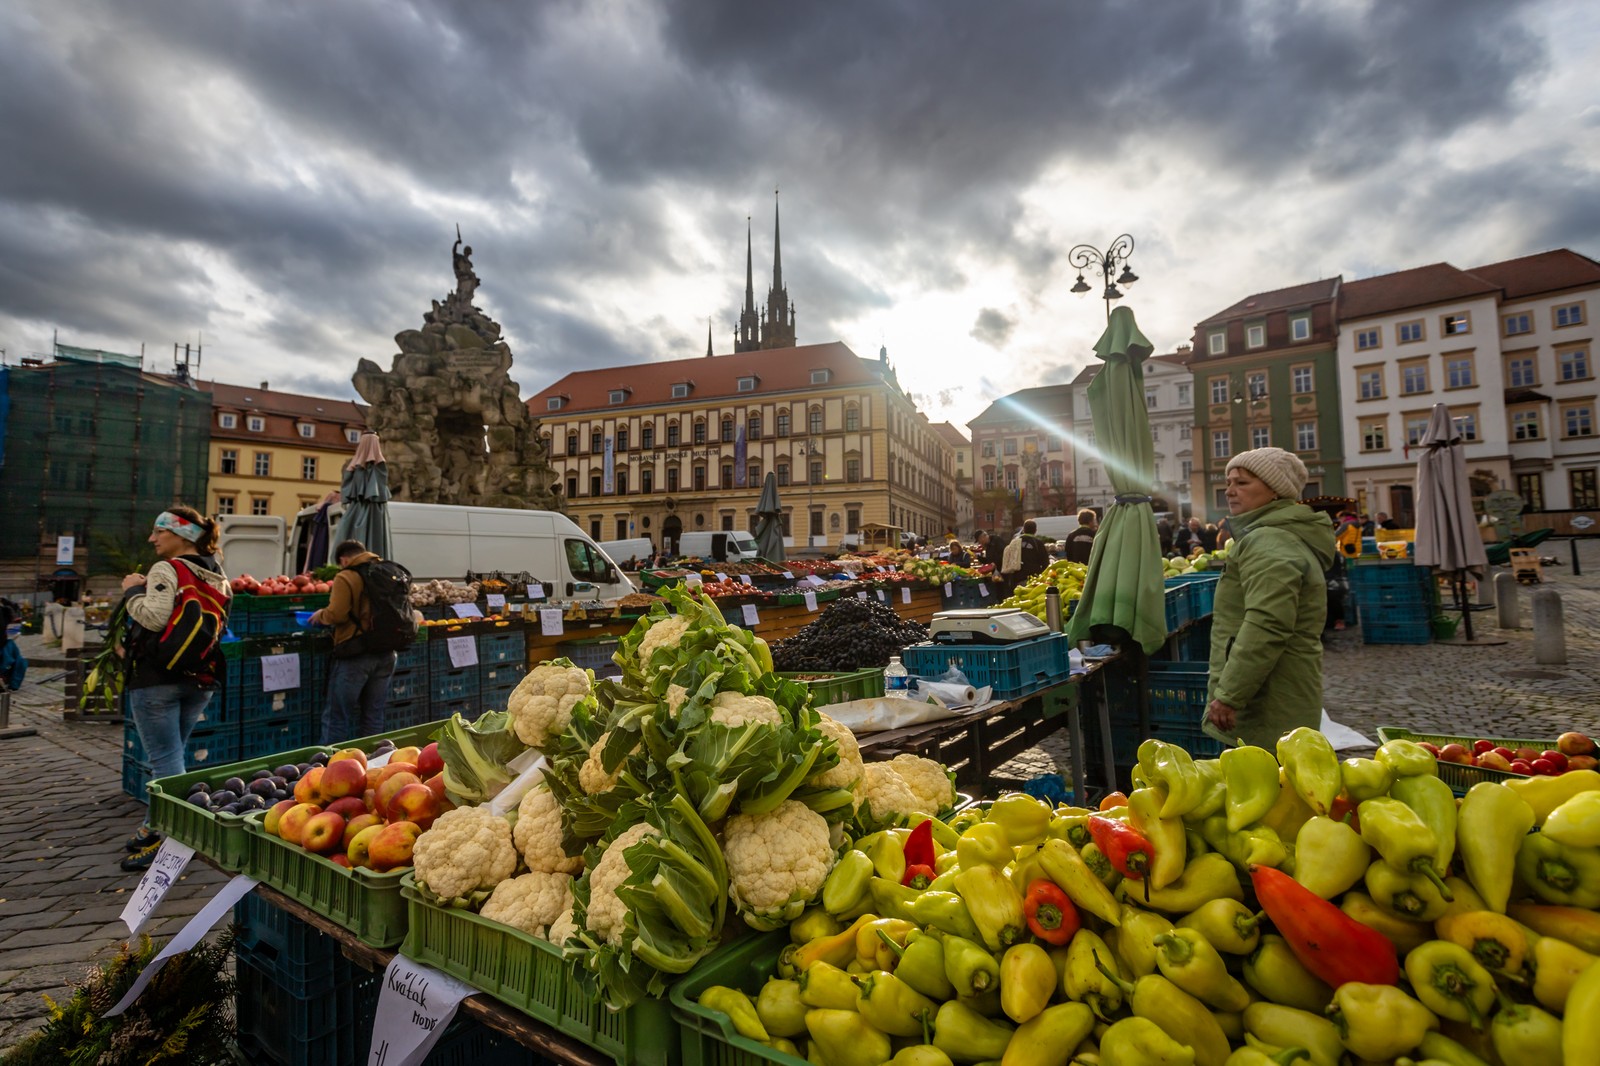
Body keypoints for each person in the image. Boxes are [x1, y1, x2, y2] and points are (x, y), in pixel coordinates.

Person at [118, 506, 231, 871]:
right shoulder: (218, 573)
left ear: (182, 536)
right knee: (173, 756)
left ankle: (173, 841)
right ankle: (155, 824)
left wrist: (132, 590)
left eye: (159, 532)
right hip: (200, 678)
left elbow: (152, 616)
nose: (152, 539)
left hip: (157, 679)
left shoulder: (169, 569)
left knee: (165, 761)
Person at [1204, 448, 1336, 749]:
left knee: (1268, 785)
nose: (1230, 491)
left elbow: (1267, 624)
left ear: (1275, 490)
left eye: (1242, 483)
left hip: (1270, 697)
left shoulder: (1269, 540)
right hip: (1278, 690)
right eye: (1228, 482)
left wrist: (1229, 694)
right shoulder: (1272, 534)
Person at [312, 539, 404, 744]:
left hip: (356, 653)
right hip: (388, 652)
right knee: (373, 715)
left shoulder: (346, 576)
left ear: (343, 560)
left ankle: (329, 766)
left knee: (337, 716)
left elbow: (337, 615)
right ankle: (373, 765)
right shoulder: (386, 571)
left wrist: (321, 615)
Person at [1014, 520, 1052, 584]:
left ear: (1024, 530)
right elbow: (1045, 562)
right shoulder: (1038, 543)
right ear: (1035, 530)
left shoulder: (1015, 542)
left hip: (1017, 577)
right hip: (1034, 577)